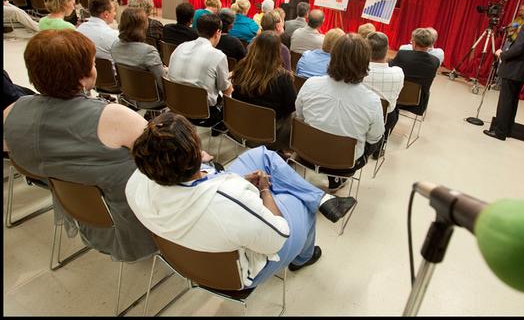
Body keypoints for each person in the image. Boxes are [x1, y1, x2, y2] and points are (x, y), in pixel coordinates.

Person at [125, 112, 358, 287]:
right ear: (197, 154)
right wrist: (265, 191)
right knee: (294, 198)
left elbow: (204, 188)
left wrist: (235, 181)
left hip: (184, 255)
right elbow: (278, 236)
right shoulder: (230, 200)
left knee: (262, 156)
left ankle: (322, 198)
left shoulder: (135, 184)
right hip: (236, 274)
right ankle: (304, 255)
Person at [3, 30, 157, 262]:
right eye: (93, 63)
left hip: (83, 212)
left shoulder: (12, 112)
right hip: (134, 225)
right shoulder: (115, 117)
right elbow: (167, 161)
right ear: (84, 76)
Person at [296, 33, 385, 190]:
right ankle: (336, 177)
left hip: (305, 153)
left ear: (333, 57)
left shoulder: (311, 83)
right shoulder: (372, 101)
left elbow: (300, 116)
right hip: (345, 164)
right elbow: (375, 138)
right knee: (374, 137)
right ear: (365, 63)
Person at [484, 0, 524, 141]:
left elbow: (518, 49)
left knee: (505, 100)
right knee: (513, 101)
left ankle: (499, 132)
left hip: (513, 68)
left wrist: (502, 54)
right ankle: (507, 129)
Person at [231, 31, 297, 152]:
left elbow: (235, 96)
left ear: (255, 46)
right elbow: (291, 108)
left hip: (238, 127)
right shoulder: (283, 78)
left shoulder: (241, 67)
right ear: (277, 51)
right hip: (269, 136)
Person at [167, 13, 232, 128]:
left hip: (174, 104)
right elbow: (226, 91)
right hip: (203, 115)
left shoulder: (180, 46)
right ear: (218, 33)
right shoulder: (218, 56)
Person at [111, 7, 167, 113]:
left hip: (128, 96)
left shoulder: (115, 46)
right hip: (152, 100)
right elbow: (163, 84)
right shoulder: (148, 51)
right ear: (143, 27)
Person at [362, 32, 405, 158]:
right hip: (385, 117)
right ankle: (380, 146)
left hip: (359, 113)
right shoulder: (398, 73)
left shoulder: (357, 70)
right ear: (387, 50)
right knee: (394, 109)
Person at [389, 28, 440, 116]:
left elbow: (391, 70)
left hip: (396, 97)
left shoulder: (402, 54)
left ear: (414, 43)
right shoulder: (435, 61)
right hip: (418, 104)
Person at [77, 0, 119, 66]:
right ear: (106, 14)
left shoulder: (78, 31)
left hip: (86, 73)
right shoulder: (114, 36)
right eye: (114, 11)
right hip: (112, 76)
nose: (115, 14)